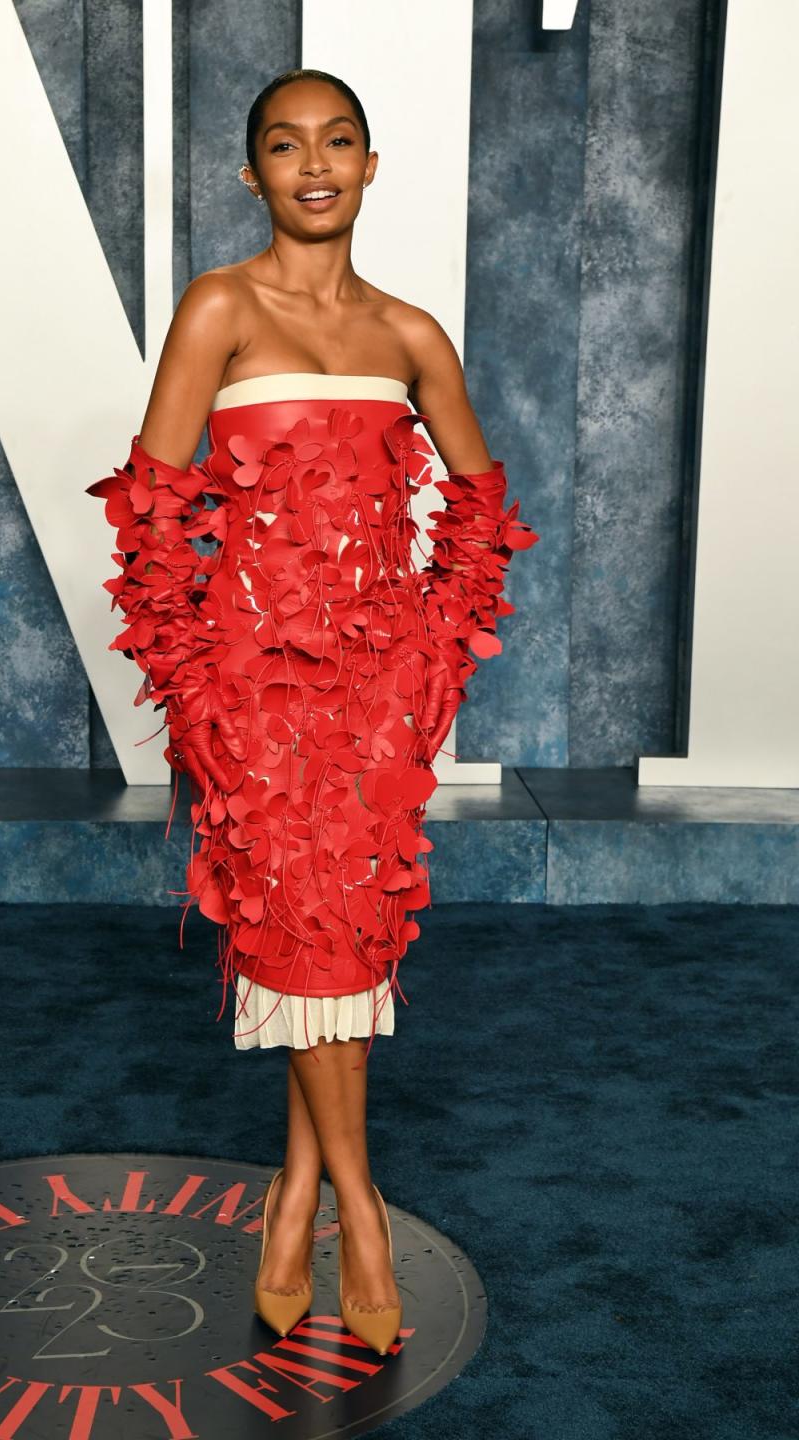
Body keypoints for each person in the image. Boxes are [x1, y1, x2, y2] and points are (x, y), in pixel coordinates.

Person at [86, 68, 539, 1355]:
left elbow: (481, 514)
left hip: (377, 704)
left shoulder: (409, 336)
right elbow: (153, 511)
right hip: (252, 705)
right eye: (284, 145)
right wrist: (199, 688)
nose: (314, 163)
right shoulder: (220, 307)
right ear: (253, 174)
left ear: (372, 164)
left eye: (337, 140)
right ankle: (363, 1206)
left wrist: (433, 665)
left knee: (340, 936)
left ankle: (297, 1193)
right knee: (302, 934)